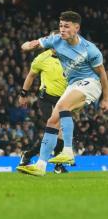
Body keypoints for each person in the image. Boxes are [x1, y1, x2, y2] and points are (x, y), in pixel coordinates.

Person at [18, 11, 108, 176]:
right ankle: (40, 165)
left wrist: (106, 99)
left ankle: (68, 150)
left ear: (76, 28)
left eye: (66, 26)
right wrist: (27, 45)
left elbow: (102, 74)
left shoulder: (90, 49)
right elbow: (33, 44)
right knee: (52, 121)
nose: (62, 29)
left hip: (90, 83)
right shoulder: (55, 41)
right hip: (73, 85)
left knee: (63, 106)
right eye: (60, 26)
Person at [16, 37, 68, 173]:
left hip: (63, 99)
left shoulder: (69, 56)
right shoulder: (42, 58)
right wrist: (23, 94)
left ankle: (28, 154)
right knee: (57, 130)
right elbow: (31, 76)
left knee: (60, 133)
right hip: (46, 99)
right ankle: (58, 165)